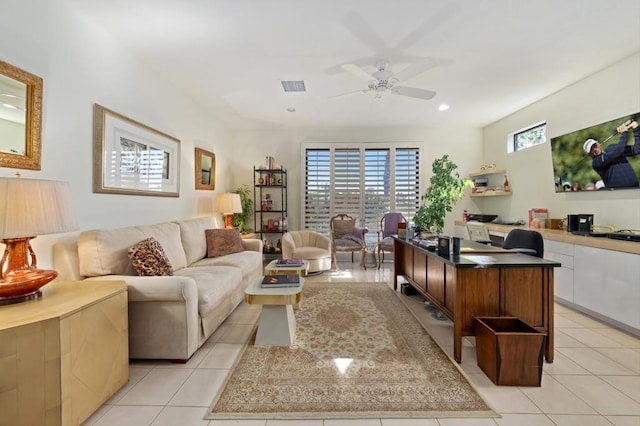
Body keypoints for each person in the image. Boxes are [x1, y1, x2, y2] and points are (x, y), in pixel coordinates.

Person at [583, 120, 640, 188]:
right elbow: (619, 150)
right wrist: (624, 132)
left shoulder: (612, 148)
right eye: (591, 150)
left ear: (598, 143)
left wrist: (636, 128)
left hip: (635, 189)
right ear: (589, 155)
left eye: (594, 145)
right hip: (617, 194)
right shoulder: (596, 162)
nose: (595, 149)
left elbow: (637, 149)